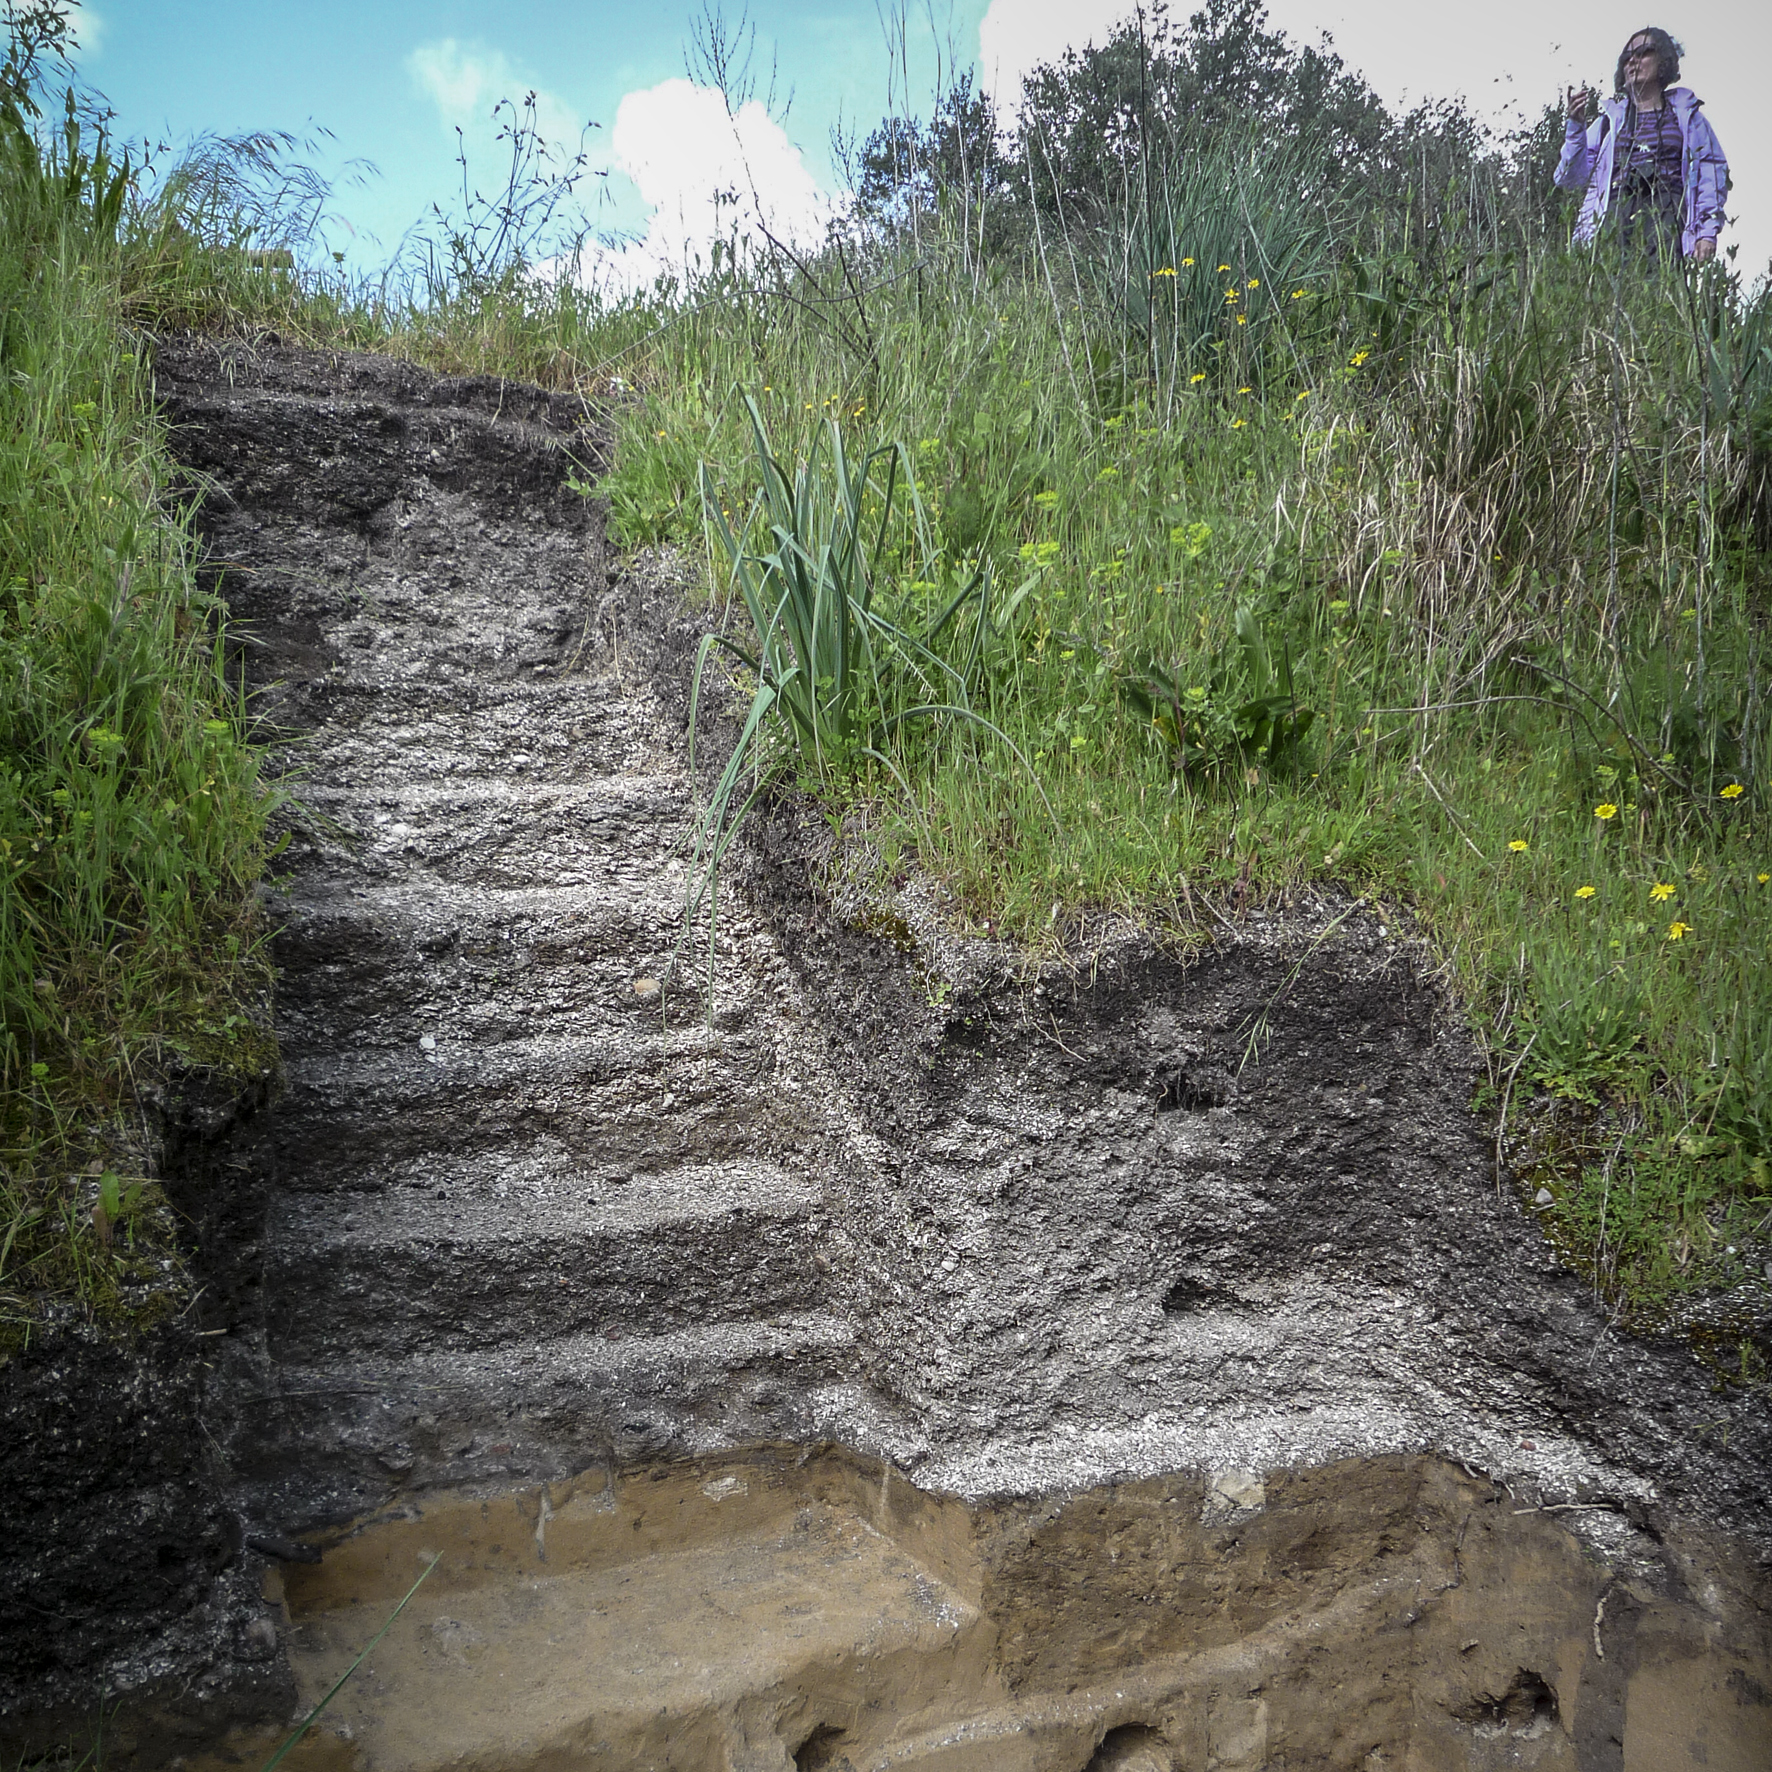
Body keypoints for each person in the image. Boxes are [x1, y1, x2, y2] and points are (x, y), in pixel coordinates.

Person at [1555, 27, 1728, 265]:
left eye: (1643, 52)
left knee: (1662, 285)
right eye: (1627, 57)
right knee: (1612, 286)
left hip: (1667, 217)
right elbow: (1569, 179)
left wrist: (1706, 232)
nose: (1632, 61)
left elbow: (1712, 175)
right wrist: (1575, 127)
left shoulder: (1689, 119)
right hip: (1614, 217)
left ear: (1663, 60)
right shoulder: (1607, 124)